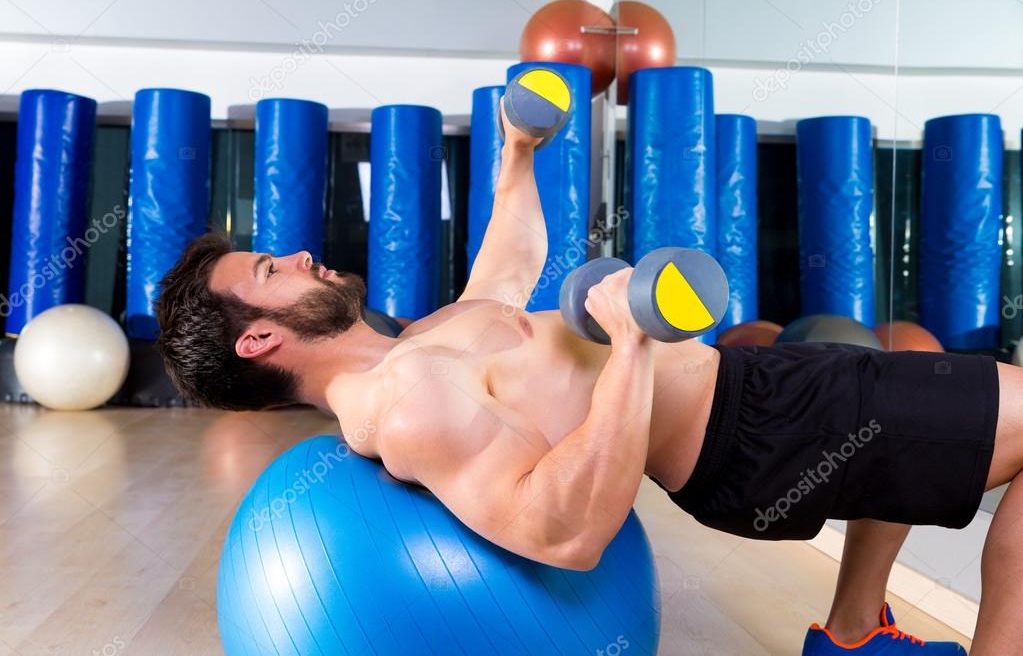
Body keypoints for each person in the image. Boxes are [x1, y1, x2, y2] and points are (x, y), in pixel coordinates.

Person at [155, 104, 1021, 656]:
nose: (301, 256)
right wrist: (630, 344)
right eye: (271, 269)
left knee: (910, 424)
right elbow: (565, 533)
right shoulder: (402, 406)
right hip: (755, 438)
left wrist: (517, 153)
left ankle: (850, 634)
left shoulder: (414, 346)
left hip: (756, 385)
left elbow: (505, 266)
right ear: (261, 339)